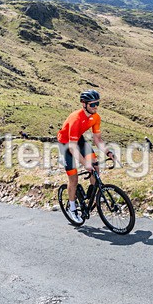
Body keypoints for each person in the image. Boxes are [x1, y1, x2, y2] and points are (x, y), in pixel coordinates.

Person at [57, 90, 114, 223]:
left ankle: (92, 194)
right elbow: (72, 147)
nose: (96, 107)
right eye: (93, 104)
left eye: (97, 103)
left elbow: (97, 139)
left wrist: (108, 152)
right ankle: (72, 208)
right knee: (74, 179)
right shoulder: (76, 118)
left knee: (95, 166)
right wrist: (85, 164)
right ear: (84, 104)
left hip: (79, 140)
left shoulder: (96, 117)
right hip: (66, 143)